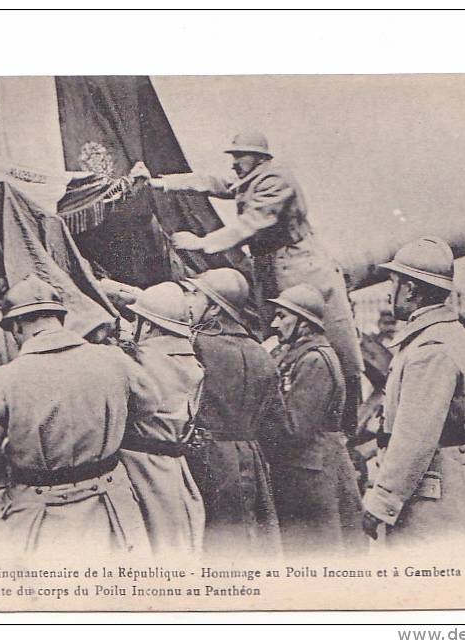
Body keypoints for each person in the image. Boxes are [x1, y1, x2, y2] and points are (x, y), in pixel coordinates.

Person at [131, 131, 363, 435]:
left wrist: (201, 243)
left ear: (259, 157)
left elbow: (248, 225)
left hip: (303, 270)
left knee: (339, 351)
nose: (235, 162)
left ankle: (346, 428)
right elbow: (213, 183)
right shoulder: (254, 176)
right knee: (282, 345)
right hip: (271, 269)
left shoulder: (275, 180)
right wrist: (161, 183)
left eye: (240, 155)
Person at [0, 275, 157, 558]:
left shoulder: (4, 381)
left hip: (38, 517)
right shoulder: (114, 359)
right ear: (61, 319)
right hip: (111, 511)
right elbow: (149, 408)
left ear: (17, 327)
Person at [361, 237, 465, 548]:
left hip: (437, 497)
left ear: (411, 289)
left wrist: (382, 501)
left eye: (393, 282)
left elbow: (414, 436)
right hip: (448, 486)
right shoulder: (443, 335)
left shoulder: (431, 349)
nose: (388, 291)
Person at [180, 268, 283, 558]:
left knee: (211, 542)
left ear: (214, 306)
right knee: (250, 539)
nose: (190, 301)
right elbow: (275, 421)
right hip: (251, 456)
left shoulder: (195, 345)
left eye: (196, 294)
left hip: (205, 456)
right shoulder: (261, 352)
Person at [263, 284, 365, 554]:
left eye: (283, 316)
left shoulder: (314, 360)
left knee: (316, 551)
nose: (276, 323)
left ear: (304, 323)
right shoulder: (296, 353)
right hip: (307, 469)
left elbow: (295, 428)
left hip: (314, 473)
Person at [120, 282, 206, 556]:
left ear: (147, 324)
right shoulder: (193, 364)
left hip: (137, 465)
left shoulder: (137, 360)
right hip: (175, 467)